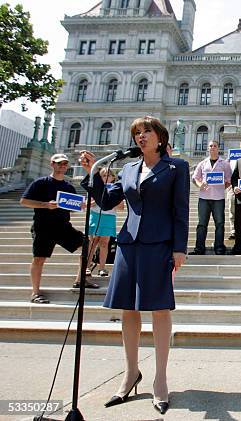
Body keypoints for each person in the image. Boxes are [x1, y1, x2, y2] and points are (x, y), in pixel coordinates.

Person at [80, 116, 189, 415]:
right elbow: (106, 201)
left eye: (146, 132)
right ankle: (130, 373)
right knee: (128, 308)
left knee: (159, 308)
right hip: (129, 244)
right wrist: (91, 175)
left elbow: (181, 209)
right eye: (137, 133)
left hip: (160, 244)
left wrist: (180, 248)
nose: (141, 137)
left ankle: (160, 379)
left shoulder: (176, 167)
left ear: (160, 136)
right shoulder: (128, 168)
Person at [20, 153, 89, 304]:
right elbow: (24, 201)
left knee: (86, 245)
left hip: (63, 226)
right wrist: (45, 205)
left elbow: (71, 207)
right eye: (59, 163)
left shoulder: (69, 187)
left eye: (65, 164)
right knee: (39, 258)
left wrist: (80, 206)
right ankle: (35, 292)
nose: (62, 166)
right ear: (52, 164)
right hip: (43, 226)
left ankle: (80, 279)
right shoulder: (40, 183)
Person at [190, 140, 232, 255]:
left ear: (218, 148)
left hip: (218, 198)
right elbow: (195, 178)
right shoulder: (202, 163)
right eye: (210, 146)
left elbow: (229, 180)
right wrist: (200, 185)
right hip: (204, 198)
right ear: (208, 149)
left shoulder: (224, 163)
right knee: (202, 224)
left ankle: (219, 247)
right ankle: (199, 248)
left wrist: (223, 185)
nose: (212, 148)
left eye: (215, 146)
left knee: (219, 224)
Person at [86, 166, 123, 278]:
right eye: (103, 175)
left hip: (109, 217)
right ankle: (87, 267)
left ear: (113, 177)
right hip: (96, 215)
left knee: (104, 243)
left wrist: (110, 200)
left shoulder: (116, 190)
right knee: (92, 242)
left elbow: (121, 207)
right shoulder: (95, 188)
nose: (106, 177)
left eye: (108, 175)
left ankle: (102, 268)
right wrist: (100, 199)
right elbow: (89, 204)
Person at [227, 138, 241, 240]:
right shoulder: (232, 157)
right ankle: (233, 231)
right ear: (239, 145)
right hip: (233, 187)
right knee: (232, 209)